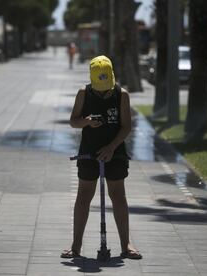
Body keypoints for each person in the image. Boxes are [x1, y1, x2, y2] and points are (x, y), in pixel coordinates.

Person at [61, 55, 142, 259]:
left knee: (118, 197)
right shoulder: (83, 94)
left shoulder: (121, 95)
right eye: (99, 87)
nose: (103, 91)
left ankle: (127, 244)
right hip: (89, 151)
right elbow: (73, 121)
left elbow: (126, 126)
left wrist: (112, 147)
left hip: (115, 152)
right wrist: (86, 121)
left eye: (106, 87)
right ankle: (76, 245)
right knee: (84, 197)